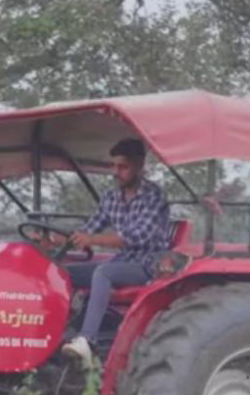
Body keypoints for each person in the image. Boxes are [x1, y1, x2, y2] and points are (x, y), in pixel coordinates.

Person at [61, 137, 169, 364]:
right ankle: (61, 330)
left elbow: (138, 236)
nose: (116, 172)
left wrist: (92, 239)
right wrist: (54, 239)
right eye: (114, 166)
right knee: (63, 272)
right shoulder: (111, 198)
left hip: (147, 264)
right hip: (123, 261)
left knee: (104, 272)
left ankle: (87, 340)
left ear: (139, 165)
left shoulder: (153, 195)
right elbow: (89, 228)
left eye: (123, 167)